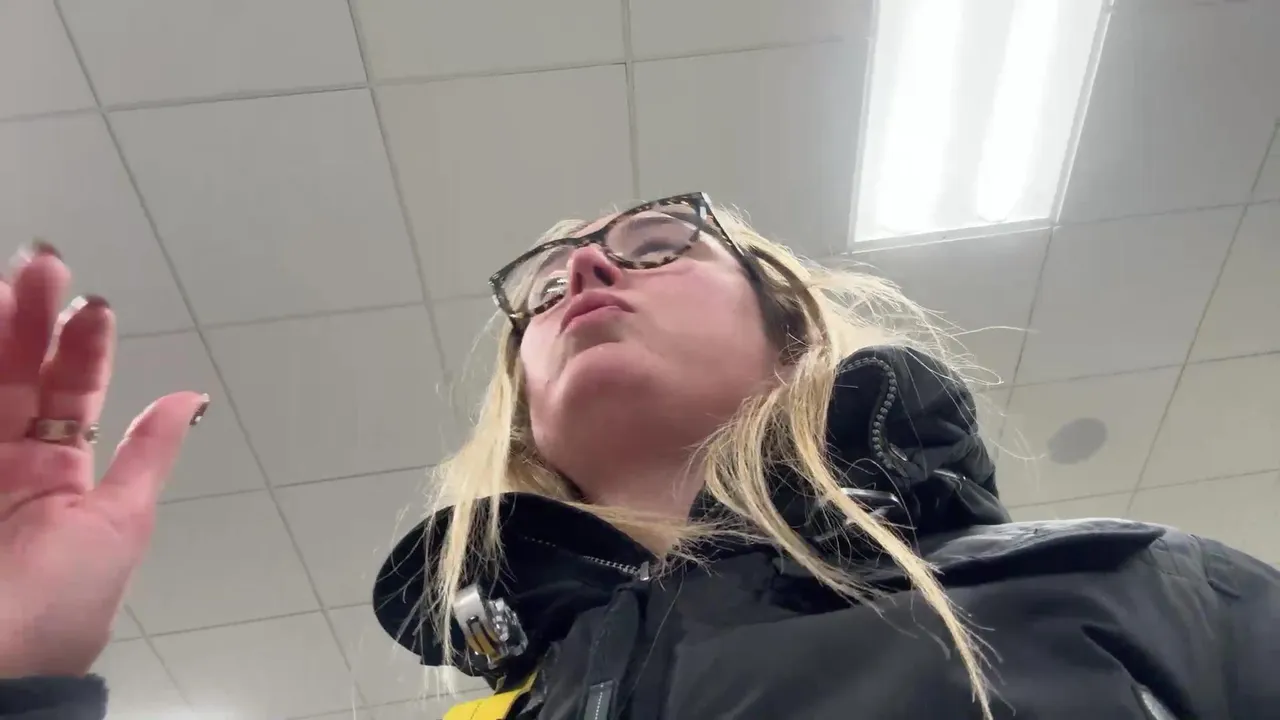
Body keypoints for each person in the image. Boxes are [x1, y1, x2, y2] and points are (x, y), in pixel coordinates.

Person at [0, 195, 1275, 720]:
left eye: (660, 246)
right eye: (546, 288)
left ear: (791, 330)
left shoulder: (1131, 588)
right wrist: (20, 672)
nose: (586, 270)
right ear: (523, 414)